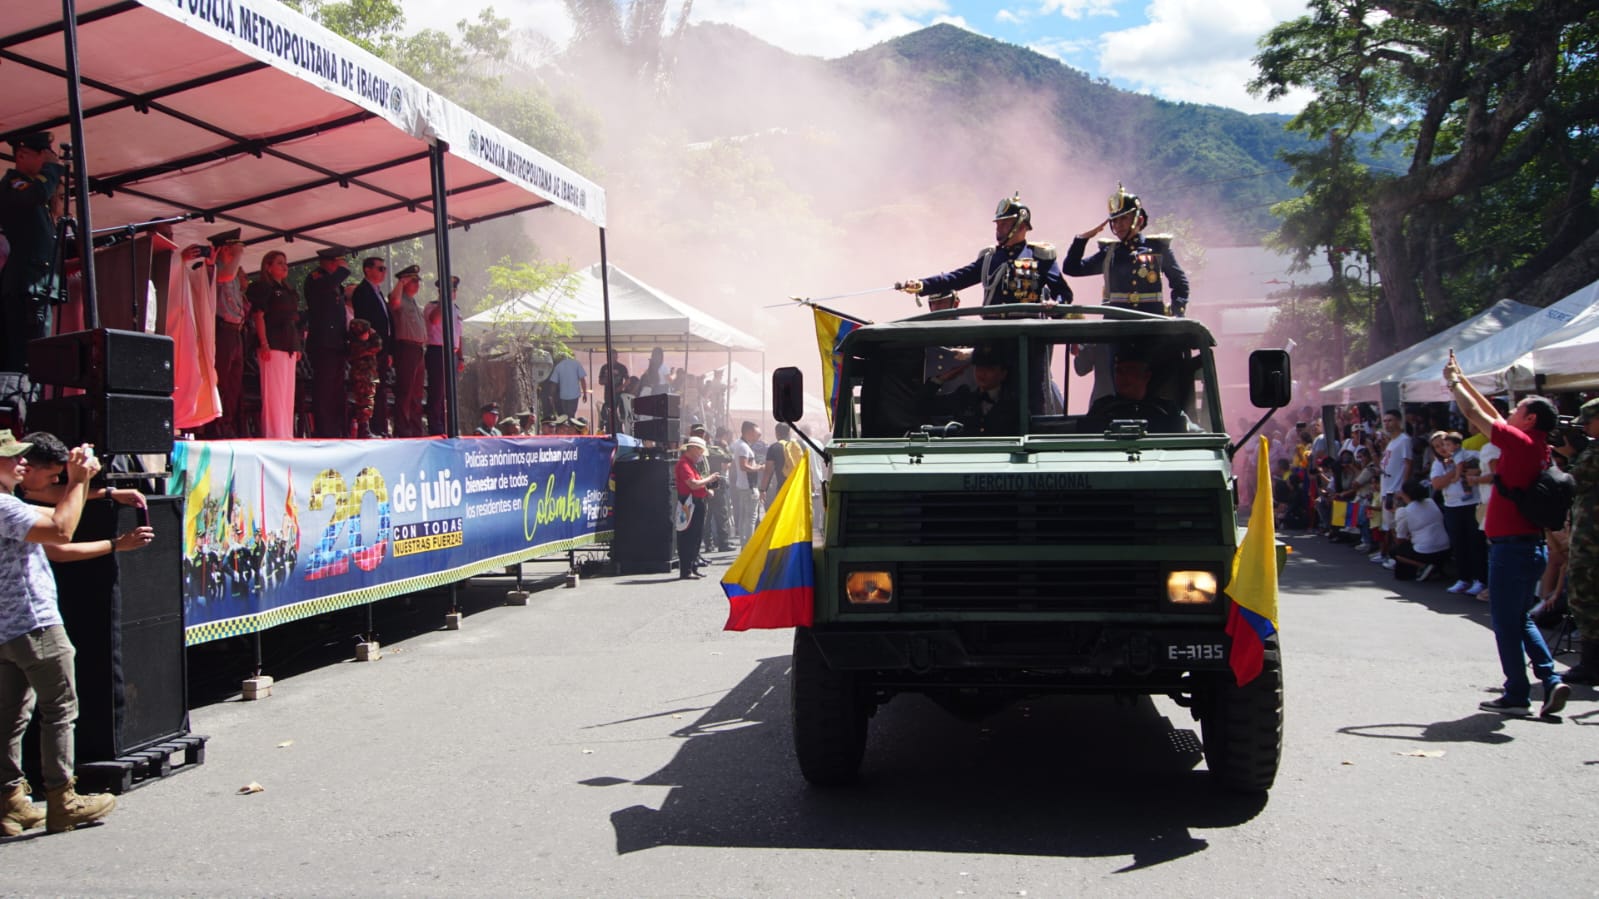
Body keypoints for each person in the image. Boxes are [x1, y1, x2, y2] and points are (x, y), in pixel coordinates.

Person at [0, 430, 134, 835]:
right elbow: (60, 531)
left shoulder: (11, 504)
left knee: (12, 717)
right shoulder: (4, 506)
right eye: (12, 457)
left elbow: (52, 514)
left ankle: (10, 802)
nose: (21, 462)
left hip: (7, 630)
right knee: (59, 711)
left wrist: (95, 489)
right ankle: (63, 799)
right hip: (33, 622)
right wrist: (77, 480)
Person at [1444, 350, 1569, 718]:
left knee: (1504, 623)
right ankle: (1550, 680)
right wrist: (1463, 379)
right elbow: (1490, 414)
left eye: (1518, 410)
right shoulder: (1536, 445)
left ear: (1530, 419)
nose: (1510, 413)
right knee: (1519, 618)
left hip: (1511, 550)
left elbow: (1475, 415)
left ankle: (1517, 693)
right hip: (1527, 547)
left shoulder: (1522, 443)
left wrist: (1454, 383)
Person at [898, 194, 1071, 308]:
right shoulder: (990, 258)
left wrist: (1055, 305)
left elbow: (1064, 294)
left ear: (1021, 226)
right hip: (993, 337)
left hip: (1028, 339)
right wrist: (923, 285)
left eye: (1005, 224)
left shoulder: (1039, 257)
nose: (999, 229)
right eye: (998, 224)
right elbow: (957, 278)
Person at [1063, 184, 1190, 317]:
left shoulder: (1158, 249)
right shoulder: (1109, 253)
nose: (1119, 225)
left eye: (1124, 218)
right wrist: (1082, 239)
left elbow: (1180, 283)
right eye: (1114, 221)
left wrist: (1177, 312)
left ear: (1139, 220)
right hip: (1116, 325)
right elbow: (1071, 269)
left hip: (1151, 323)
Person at [0, 133, 65, 373]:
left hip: (38, 286)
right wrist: (51, 169)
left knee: (36, 355)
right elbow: (36, 193)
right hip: (26, 286)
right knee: (27, 357)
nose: (47, 161)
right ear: (22, 155)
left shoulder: (34, 193)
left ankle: (27, 393)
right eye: (43, 156)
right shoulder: (14, 184)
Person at [1560, 398, 1599, 684]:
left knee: (1585, 597)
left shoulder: (1594, 453)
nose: (1584, 428)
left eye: (1588, 422)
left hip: (1591, 539)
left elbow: (1573, 483)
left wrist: (1572, 454)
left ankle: (1591, 664)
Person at [247, 251, 304, 439]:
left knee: (287, 392)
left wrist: (297, 346)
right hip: (273, 343)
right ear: (268, 266)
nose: (284, 266)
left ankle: (286, 433)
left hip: (288, 344)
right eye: (279, 263)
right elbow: (259, 316)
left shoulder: (288, 290)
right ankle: (273, 434)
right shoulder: (264, 287)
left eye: (285, 262)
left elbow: (293, 320)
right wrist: (264, 343)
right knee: (274, 392)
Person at [200, 229, 250, 438]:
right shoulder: (214, 268)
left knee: (233, 383)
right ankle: (215, 427)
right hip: (221, 330)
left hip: (235, 331)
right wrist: (235, 254)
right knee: (220, 380)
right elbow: (225, 275)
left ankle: (227, 425)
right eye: (234, 249)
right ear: (225, 249)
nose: (238, 253)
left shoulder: (235, 273)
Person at [1078, 346, 1188, 434]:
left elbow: (1192, 435)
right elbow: (1085, 442)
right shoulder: (1100, 408)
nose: (1122, 377)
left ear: (1146, 376)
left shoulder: (1167, 410)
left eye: (1130, 371)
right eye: (1119, 371)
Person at [303, 248, 354, 439]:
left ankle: (337, 428)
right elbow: (326, 286)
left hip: (337, 343)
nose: (339, 265)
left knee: (336, 389)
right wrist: (343, 271)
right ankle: (324, 429)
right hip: (323, 343)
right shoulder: (316, 278)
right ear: (329, 261)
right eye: (337, 261)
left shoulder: (335, 283)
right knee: (324, 388)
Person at [919, 342, 1020, 436]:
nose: (982, 373)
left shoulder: (1014, 402)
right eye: (979, 367)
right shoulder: (963, 397)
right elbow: (922, 405)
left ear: (1003, 374)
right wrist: (941, 379)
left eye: (989, 369)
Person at [1429, 431, 1485, 595]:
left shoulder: (1470, 455)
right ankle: (1463, 579)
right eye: (1437, 447)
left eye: (1444, 444)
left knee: (1476, 544)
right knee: (1459, 544)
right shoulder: (1439, 464)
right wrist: (1455, 470)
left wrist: (1473, 471)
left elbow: (1486, 469)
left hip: (1473, 504)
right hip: (1452, 507)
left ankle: (1480, 579)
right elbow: (1437, 484)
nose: (1442, 448)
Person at [349, 256, 393, 438]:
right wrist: (371, 341)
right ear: (368, 270)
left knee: (380, 388)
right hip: (369, 349)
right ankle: (368, 428)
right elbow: (364, 321)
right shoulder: (362, 291)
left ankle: (380, 427)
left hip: (382, 348)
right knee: (368, 389)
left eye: (385, 269)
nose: (384, 272)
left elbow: (387, 322)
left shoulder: (378, 292)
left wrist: (389, 350)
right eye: (380, 268)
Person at [387, 264, 427, 437]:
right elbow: (394, 302)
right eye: (413, 281)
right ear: (405, 281)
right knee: (405, 391)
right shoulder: (399, 297)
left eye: (418, 281)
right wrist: (401, 283)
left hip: (418, 349)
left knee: (417, 393)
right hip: (406, 348)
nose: (417, 285)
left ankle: (416, 429)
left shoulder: (413, 301)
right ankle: (403, 429)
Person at [424, 276, 464, 437]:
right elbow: (434, 320)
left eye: (454, 290)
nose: (452, 293)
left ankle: (448, 425)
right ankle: (435, 426)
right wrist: (444, 302)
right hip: (437, 351)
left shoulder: (456, 309)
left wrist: (460, 357)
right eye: (449, 290)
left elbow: (458, 335)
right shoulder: (432, 306)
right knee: (437, 391)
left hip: (452, 353)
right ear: (441, 292)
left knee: (450, 392)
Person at [674, 437, 719, 579]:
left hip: (696, 502)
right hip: (689, 503)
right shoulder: (684, 464)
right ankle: (686, 569)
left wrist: (707, 490)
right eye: (699, 449)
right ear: (692, 448)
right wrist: (709, 479)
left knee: (696, 536)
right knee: (688, 536)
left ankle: (692, 566)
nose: (700, 453)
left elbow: (697, 484)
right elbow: (692, 484)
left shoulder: (691, 464)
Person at [1372, 409, 1413, 563]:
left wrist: (1403, 488)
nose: (1387, 424)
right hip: (1386, 489)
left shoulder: (1404, 440)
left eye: (1390, 420)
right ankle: (1391, 555)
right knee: (1389, 526)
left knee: (1398, 528)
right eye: (1385, 421)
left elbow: (1408, 464)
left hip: (1396, 490)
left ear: (1398, 421)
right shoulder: (1391, 442)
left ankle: (1400, 558)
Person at [1389, 480, 1451, 580]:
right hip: (1445, 547)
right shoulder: (1430, 502)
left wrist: (1394, 522)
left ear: (1405, 494)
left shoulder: (1404, 511)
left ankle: (1423, 566)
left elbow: (1400, 539)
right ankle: (1434, 568)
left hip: (1426, 551)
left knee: (1395, 551)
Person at [730, 421, 762, 544]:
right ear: (749, 432)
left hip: (743, 485)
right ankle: (748, 545)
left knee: (744, 517)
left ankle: (744, 543)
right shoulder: (743, 446)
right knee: (750, 518)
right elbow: (744, 466)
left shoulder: (739, 444)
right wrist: (759, 468)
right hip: (749, 486)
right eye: (757, 434)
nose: (758, 437)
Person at [760, 423, 802, 509]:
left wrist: (763, 490)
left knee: (783, 512)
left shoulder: (774, 447)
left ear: (776, 433)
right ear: (789, 432)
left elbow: (768, 471)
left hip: (783, 487)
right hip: (799, 486)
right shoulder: (799, 445)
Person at [549, 353, 588, 419]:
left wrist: (552, 397)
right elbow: (582, 380)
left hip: (563, 396)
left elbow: (554, 384)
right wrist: (585, 394)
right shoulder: (576, 364)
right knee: (571, 415)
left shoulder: (558, 366)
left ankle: (567, 423)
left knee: (565, 416)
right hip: (574, 395)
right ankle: (570, 423)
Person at [597, 350, 628, 430]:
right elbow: (600, 381)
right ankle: (608, 430)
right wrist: (607, 378)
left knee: (618, 414)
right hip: (608, 395)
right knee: (608, 414)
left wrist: (621, 387)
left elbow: (628, 380)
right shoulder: (604, 367)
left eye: (615, 357)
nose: (614, 359)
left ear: (617, 357)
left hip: (618, 395)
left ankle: (618, 430)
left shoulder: (622, 367)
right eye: (612, 357)